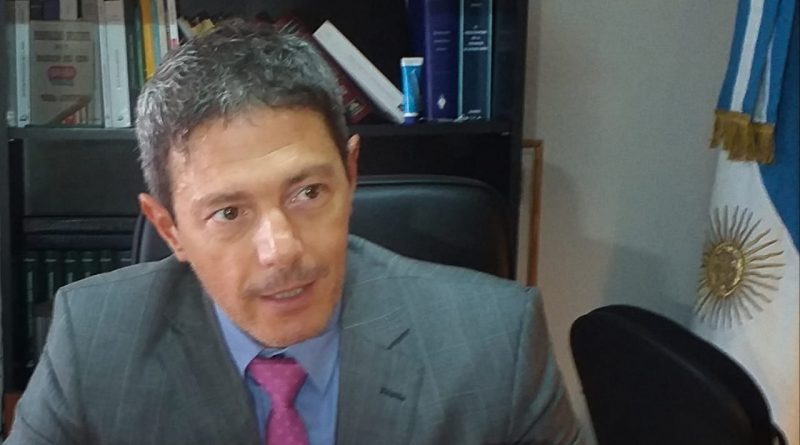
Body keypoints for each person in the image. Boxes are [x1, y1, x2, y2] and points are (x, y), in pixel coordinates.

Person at [7, 20, 582, 445]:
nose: (280, 250)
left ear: (350, 176)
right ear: (170, 229)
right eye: (228, 213)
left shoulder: (496, 344)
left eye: (307, 193)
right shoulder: (94, 339)